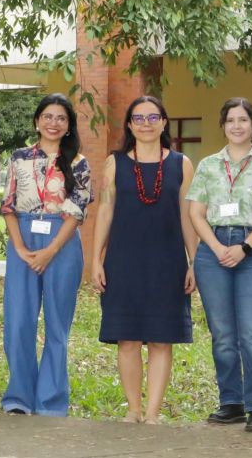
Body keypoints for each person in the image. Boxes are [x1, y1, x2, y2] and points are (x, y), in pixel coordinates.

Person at [90, 96, 197, 425]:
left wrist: (193, 262)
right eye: (139, 118)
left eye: (153, 117)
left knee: (162, 339)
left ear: (164, 122)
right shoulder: (115, 162)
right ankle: (133, 408)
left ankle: (152, 413)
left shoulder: (182, 164)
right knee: (128, 337)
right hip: (124, 260)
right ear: (130, 124)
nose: (146, 124)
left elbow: (187, 215)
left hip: (167, 262)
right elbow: (105, 211)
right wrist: (96, 259)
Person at [187, 98, 252, 433]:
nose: (236, 126)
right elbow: (196, 213)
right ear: (223, 125)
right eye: (230, 120)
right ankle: (231, 402)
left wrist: (244, 247)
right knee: (223, 334)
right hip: (212, 250)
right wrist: (216, 247)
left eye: (243, 119)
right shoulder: (208, 165)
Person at [0, 94, 91, 416]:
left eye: (61, 118)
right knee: (18, 321)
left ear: (68, 126)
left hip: (62, 242)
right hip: (22, 237)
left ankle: (51, 401)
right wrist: (22, 248)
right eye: (48, 116)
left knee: (57, 325)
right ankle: (19, 398)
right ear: (37, 121)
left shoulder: (78, 162)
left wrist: (50, 251)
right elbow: (8, 205)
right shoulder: (19, 157)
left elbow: (77, 210)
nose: (54, 123)